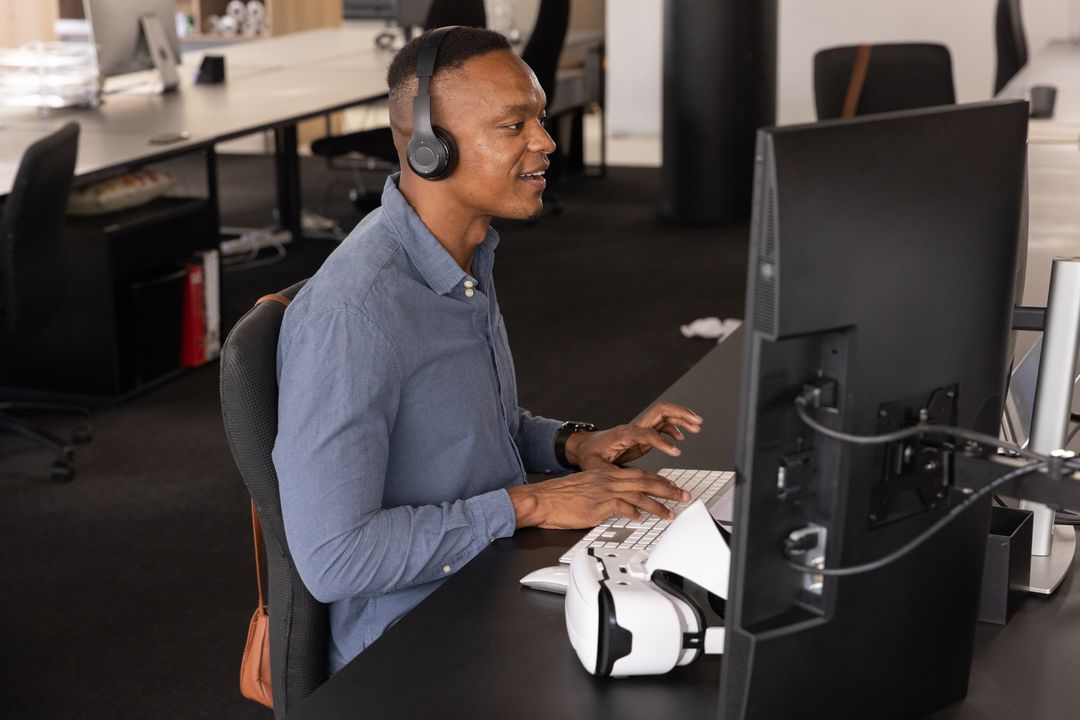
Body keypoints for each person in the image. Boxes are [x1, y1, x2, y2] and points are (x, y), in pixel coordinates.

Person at [272, 26, 703, 674]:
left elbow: (466, 431)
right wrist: (531, 502)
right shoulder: (352, 317)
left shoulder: (463, 259)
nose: (546, 142)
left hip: (492, 575)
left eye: (540, 117)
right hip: (414, 647)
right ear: (429, 149)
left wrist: (573, 447)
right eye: (513, 126)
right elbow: (336, 558)